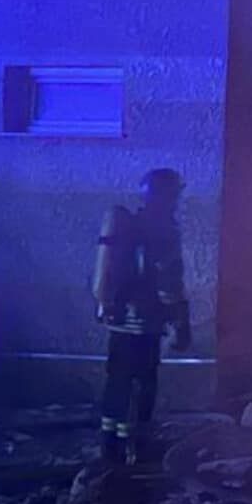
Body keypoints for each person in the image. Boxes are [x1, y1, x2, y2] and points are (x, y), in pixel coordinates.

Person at [92, 168, 191, 465]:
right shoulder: (164, 230)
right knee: (142, 383)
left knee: (117, 381)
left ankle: (110, 446)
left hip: (119, 320)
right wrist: (181, 323)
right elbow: (169, 284)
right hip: (146, 323)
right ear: (168, 196)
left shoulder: (129, 225)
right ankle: (136, 448)